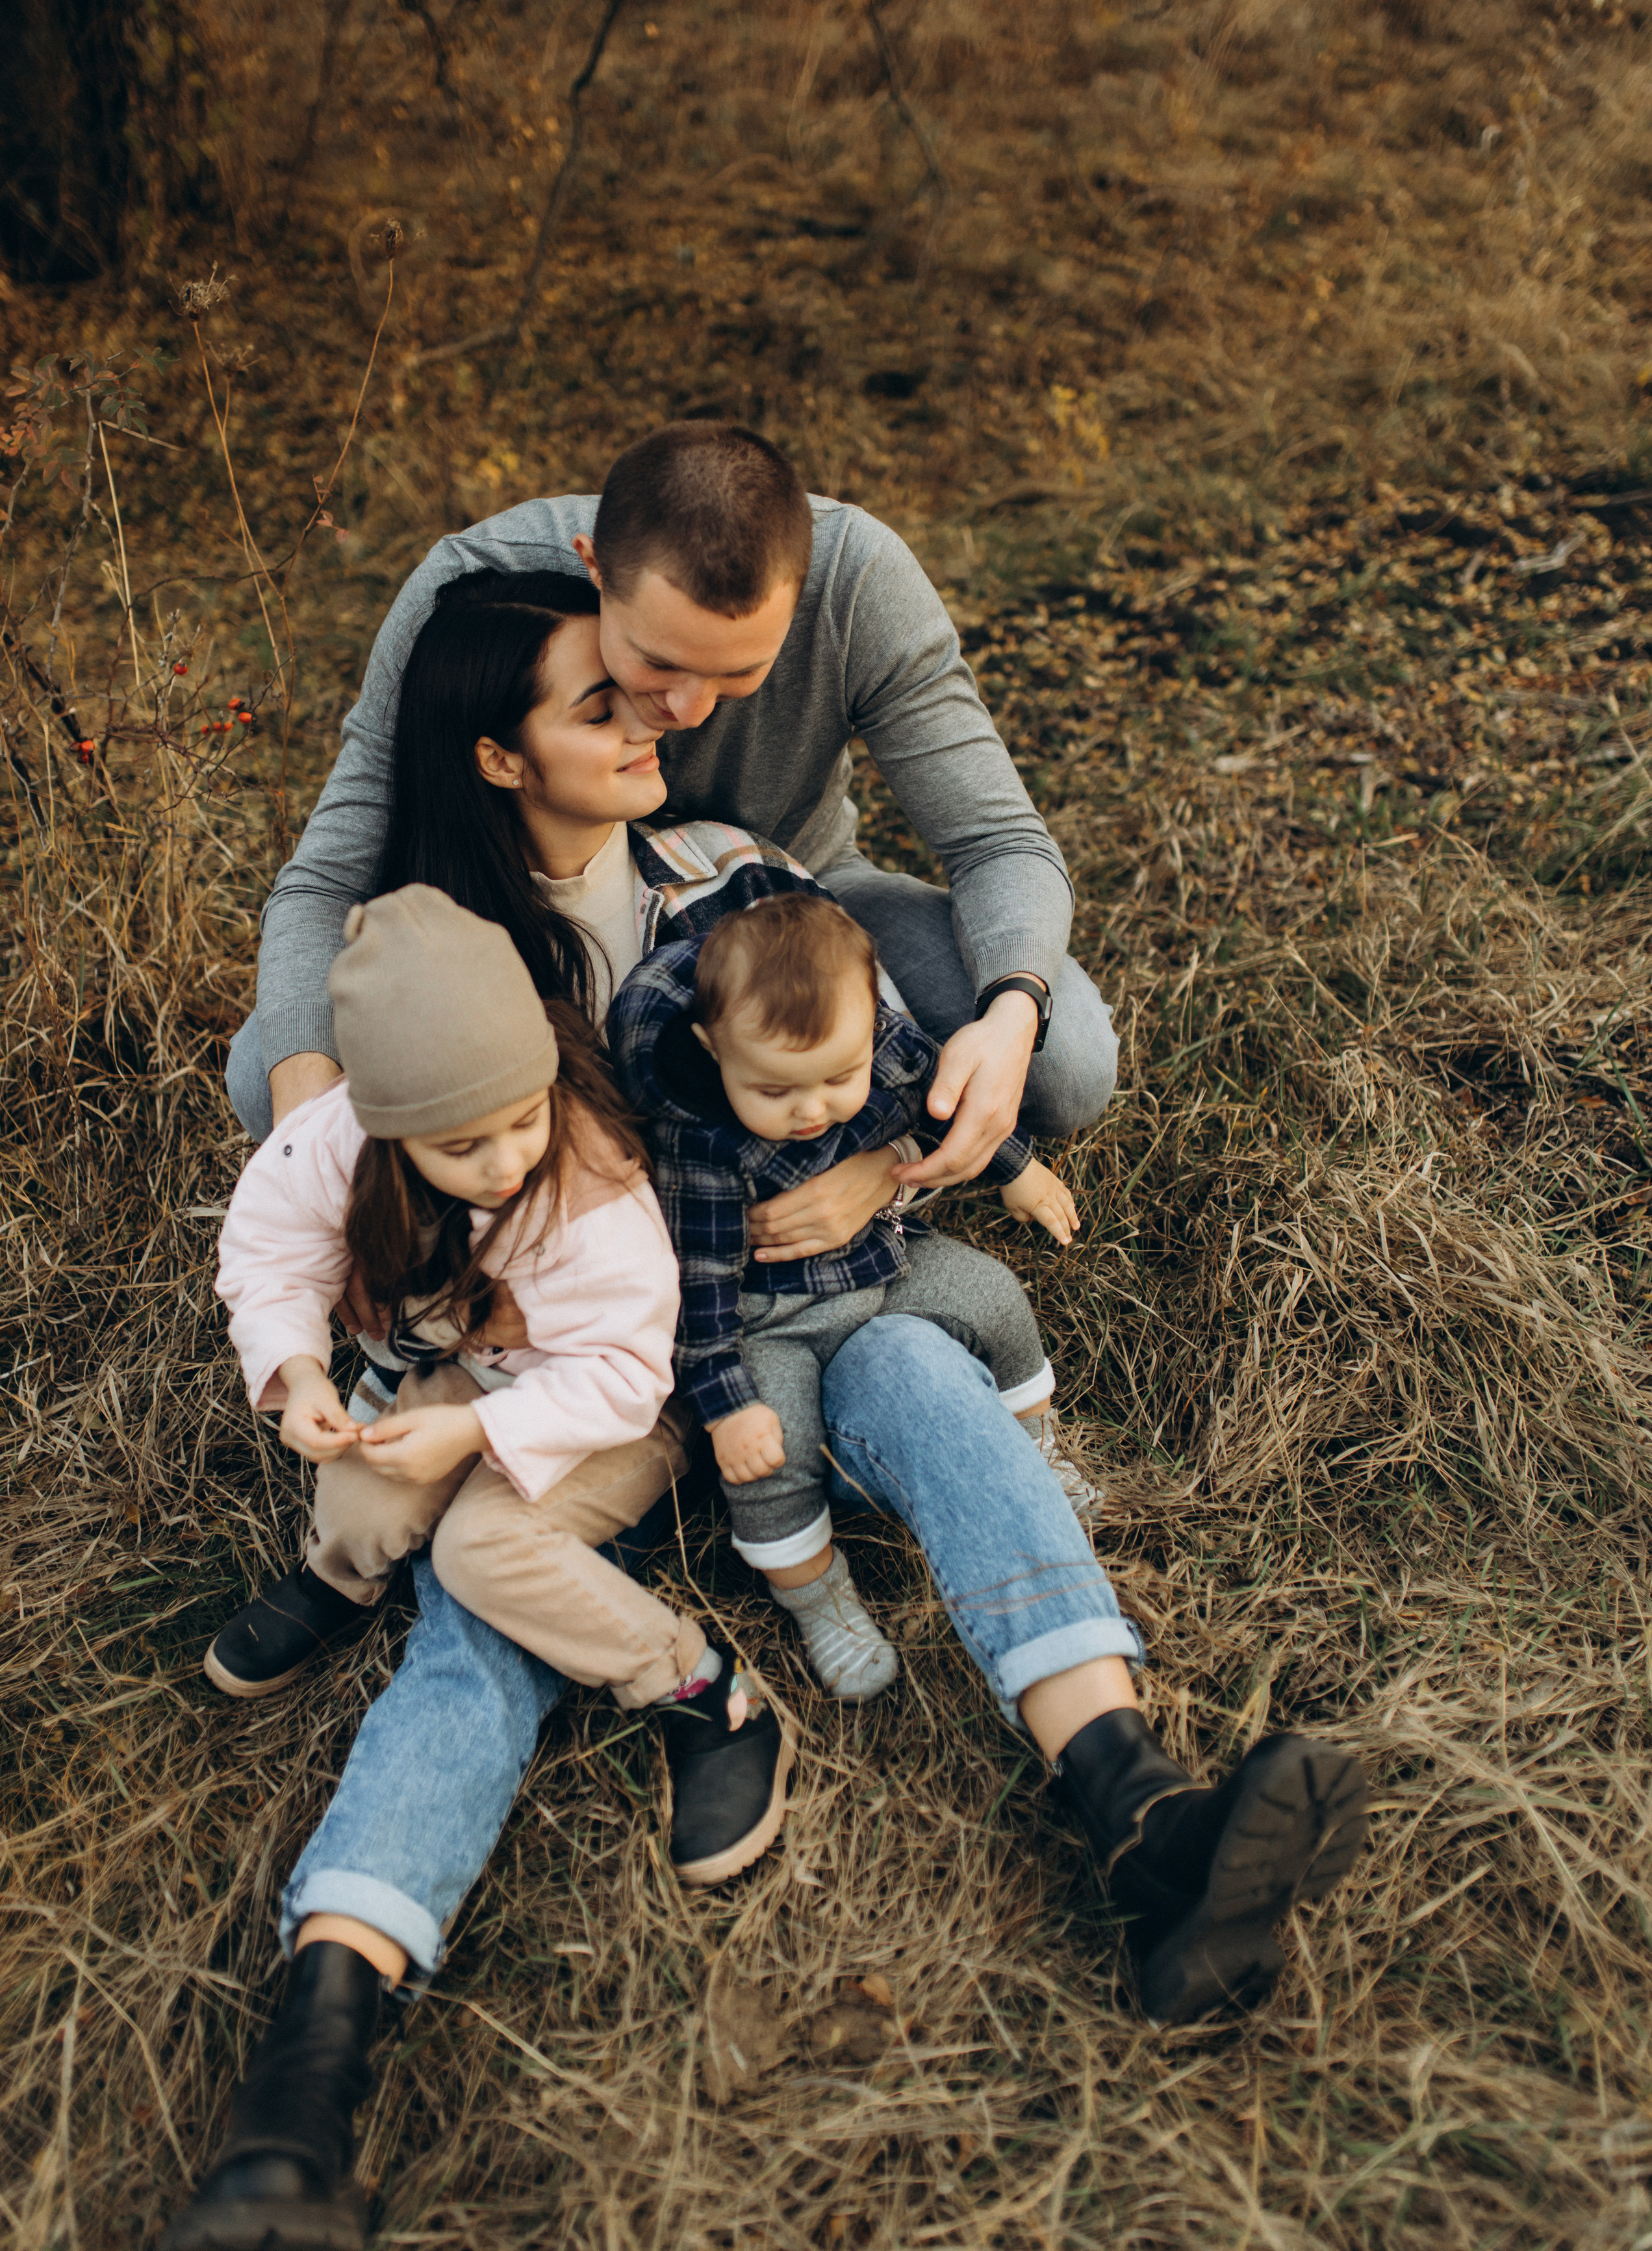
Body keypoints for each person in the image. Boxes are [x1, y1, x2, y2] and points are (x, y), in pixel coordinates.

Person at [164, 551, 1368, 2251]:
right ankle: (306, 2084)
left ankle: (1139, 1810)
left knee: (914, 1375)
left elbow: (847, 1035)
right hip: (575, 1395)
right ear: (504, 753)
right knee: (474, 1606)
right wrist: (345, 1286)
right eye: (609, 699)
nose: (661, 717)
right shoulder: (444, 966)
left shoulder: (726, 874)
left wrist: (885, 1161)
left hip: (753, 1332)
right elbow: (312, 1161)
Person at [227, 424, 1121, 1237]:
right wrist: (311, 1111)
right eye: (654, 663)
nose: (684, 711)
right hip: (536, 907)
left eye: (737, 673)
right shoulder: (481, 585)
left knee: (1065, 1058)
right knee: (278, 1073)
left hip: (789, 897)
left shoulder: (859, 585)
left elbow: (998, 843)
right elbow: (326, 877)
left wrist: (992, 1037)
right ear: (592, 569)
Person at [208, 884, 792, 1888]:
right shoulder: (339, 1142)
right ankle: (340, 1575)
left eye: (523, 1121)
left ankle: (702, 1690)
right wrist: (300, 1366)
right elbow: (269, 1250)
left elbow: (624, 1372)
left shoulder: (584, 1188)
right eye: (461, 1148)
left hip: (620, 1410)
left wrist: (474, 1439)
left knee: (482, 1551)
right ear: (386, 1128)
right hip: (477, 1372)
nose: (506, 1162)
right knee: (358, 1488)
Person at [609, 892, 1088, 1699]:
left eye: (839, 1076)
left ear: (872, 1023)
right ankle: (818, 1595)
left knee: (996, 1297)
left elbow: (945, 1103)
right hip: (768, 1320)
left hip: (881, 1260)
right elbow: (697, 1293)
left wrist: (1017, 1168)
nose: (812, 1109)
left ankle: (1042, 1452)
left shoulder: (883, 1047)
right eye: (773, 1090)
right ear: (710, 1047)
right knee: (771, 1458)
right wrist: (728, 1408)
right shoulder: (700, 1140)